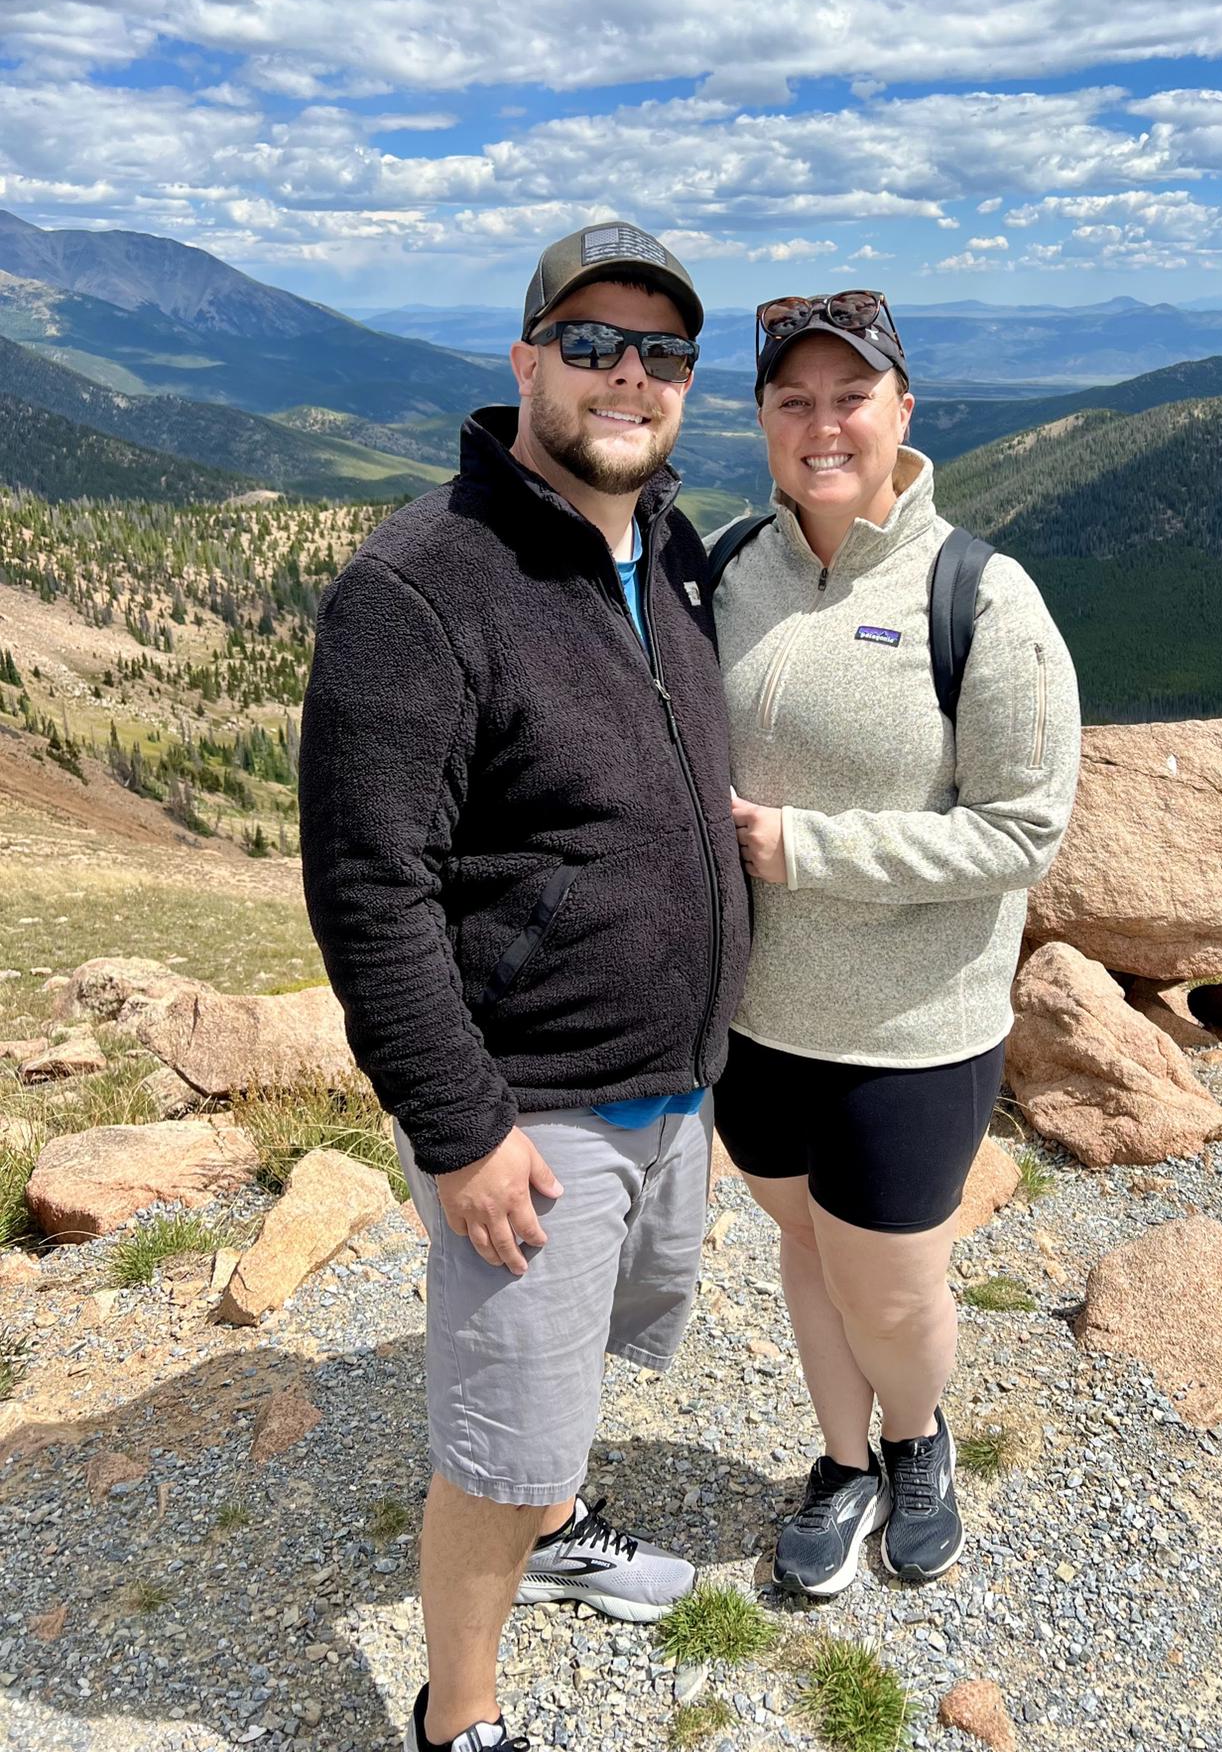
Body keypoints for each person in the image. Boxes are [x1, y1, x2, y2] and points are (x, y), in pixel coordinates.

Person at [298, 221, 751, 1752]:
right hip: (530, 1110)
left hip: (667, 1082)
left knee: (561, 1381)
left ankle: (555, 1526)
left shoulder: (670, 551)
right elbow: (371, 889)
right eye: (592, 342)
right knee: (496, 1445)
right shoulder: (421, 586)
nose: (630, 373)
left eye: (663, 350)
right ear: (525, 360)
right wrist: (461, 1128)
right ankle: (461, 1715)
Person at [709, 289, 1080, 1598]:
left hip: (911, 1029)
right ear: (762, 419)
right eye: (793, 400)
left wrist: (802, 849)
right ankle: (840, 1459)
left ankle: (918, 1440)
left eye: (851, 397)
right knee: (810, 1251)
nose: (824, 425)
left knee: (894, 1290)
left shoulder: (982, 597)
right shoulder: (731, 569)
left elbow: (1023, 834)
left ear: (903, 411)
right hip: (756, 1017)